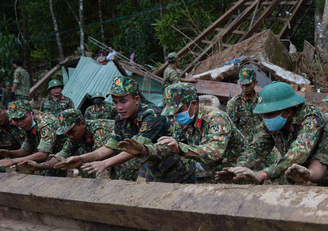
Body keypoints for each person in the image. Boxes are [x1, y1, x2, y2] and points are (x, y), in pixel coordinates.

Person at [56, 77, 194, 183]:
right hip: (156, 170)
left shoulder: (151, 115)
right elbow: (109, 147)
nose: (119, 107)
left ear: (137, 99)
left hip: (180, 169)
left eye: (123, 101)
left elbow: (135, 148)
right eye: (115, 102)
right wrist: (80, 158)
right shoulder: (120, 120)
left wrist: (105, 163)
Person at [119, 82, 245, 181]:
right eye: (173, 113)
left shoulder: (216, 118)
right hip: (220, 177)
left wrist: (180, 148)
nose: (176, 117)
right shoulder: (184, 123)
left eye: (179, 111)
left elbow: (214, 152)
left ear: (194, 104)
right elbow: (169, 147)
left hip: (243, 173)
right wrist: (144, 149)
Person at [216, 82, 325, 185]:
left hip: (327, 172)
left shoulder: (310, 118)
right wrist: (239, 169)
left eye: (270, 114)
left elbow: (299, 152)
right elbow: (257, 149)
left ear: (287, 112)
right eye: (263, 115)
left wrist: (262, 174)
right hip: (298, 172)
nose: (266, 119)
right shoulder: (271, 122)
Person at [19, 108, 114, 177]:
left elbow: (99, 155)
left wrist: (79, 160)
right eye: (66, 134)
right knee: (86, 170)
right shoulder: (73, 135)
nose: (70, 136)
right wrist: (39, 166)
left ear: (82, 124)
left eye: (72, 132)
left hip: (124, 151)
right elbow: (62, 155)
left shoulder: (99, 130)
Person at [0, 100, 63, 170]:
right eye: (15, 120)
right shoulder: (27, 124)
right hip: (53, 153)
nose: (20, 123)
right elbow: (26, 149)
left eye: (23, 118)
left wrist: (12, 161)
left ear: (32, 113)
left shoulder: (45, 124)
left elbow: (43, 154)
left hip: (64, 153)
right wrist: (9, 153)